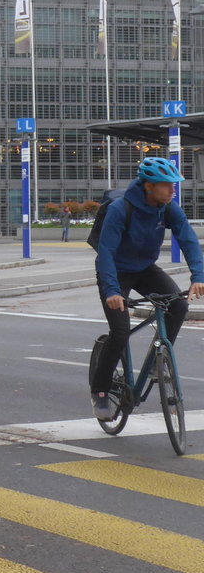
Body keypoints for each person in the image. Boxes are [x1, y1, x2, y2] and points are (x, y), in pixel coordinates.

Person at [91, 156, 204, 420]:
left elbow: (188, 240)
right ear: (149, 186)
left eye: (174, 184)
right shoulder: (121, 209)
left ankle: (156, 362)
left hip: (144, 269)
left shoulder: (168, 208)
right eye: (167, 185)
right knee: (120, 333)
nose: (173, 190)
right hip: (115, 272)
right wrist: (112, 291)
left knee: (179, 305)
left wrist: (198, 276)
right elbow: (105, 252)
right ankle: (100, 392)